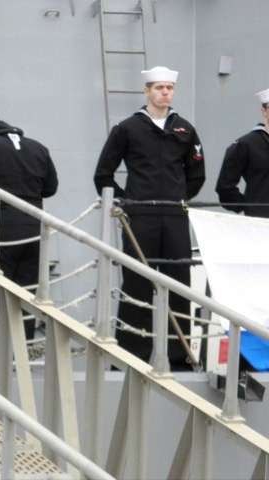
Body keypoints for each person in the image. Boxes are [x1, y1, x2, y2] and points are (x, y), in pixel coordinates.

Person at [93, 66, 206, 369]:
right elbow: (103, 174)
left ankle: (178, 356)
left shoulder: (185, 129)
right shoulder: (127, 129)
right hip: (140, 216)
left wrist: (178, 197)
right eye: (159, 88)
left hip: (174, 216)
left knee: (179, 283)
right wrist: (126, 202)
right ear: (147, 91)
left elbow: (197, 174)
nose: (165, 93)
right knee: (137, 282)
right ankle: (131, 353)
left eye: (169, 88)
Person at [0, 116, 58, 355]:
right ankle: (21, 349)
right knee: (25, 291)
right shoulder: (39, 148)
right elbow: (50, 188)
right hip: (34, 230)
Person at [216, 87, 269, 218]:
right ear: (264, 111)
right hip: (260, 222)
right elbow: (225, 187)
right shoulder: (246, 144)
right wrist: (247, 205)